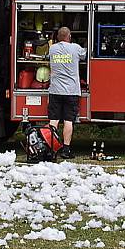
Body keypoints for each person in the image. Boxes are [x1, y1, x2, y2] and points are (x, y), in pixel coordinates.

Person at [48, 26, 87, 159]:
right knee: (68, 121)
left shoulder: (52, 49)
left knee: (53, 120)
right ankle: (66, 150)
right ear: (69, 37)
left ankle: (50, 149)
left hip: (55, 91)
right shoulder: (75, 48)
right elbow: (86, 54)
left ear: (57, 37)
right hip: (71, 91)